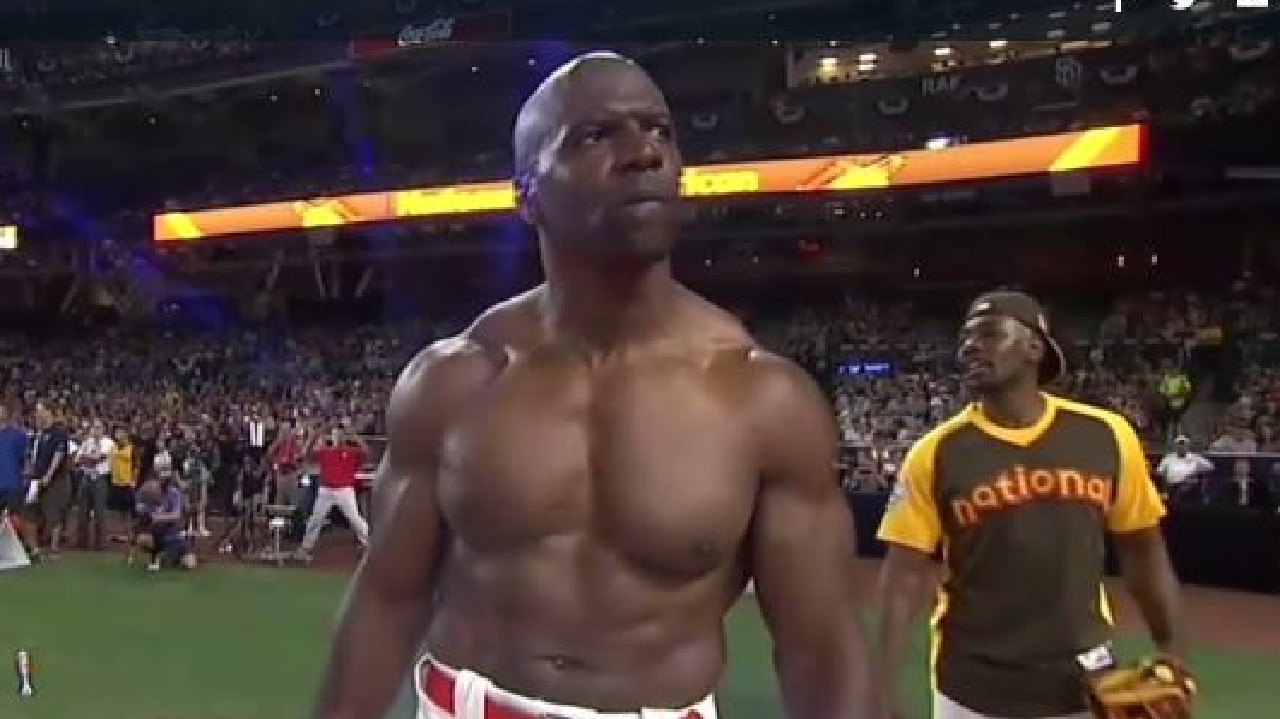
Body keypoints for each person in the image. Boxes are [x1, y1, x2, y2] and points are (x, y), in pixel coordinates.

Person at [312, 52, 880, 719]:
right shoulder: (455, 379)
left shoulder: (764, 400)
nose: (644, 152)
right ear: (527, 195)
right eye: (595, 135)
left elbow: (821, 649)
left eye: (660, 130)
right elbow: (389, 597)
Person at [875, 291, 1187, 719]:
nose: (970, 346)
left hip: (1082, 684)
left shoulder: (1105, 435)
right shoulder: (936, 452)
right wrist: (880, 686)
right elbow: (903, 577)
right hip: (971, 688)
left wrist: (1172, 649)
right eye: (965, 338)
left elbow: (1143, 549)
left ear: (1035, 348)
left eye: (989, 334)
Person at [293, 423, 370, 562]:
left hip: (345, 490)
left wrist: (355, 436)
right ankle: (305, 548)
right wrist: (315, 435)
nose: (337, 437)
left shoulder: (352, 451)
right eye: (335, 435)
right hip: (326, 490)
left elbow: (366, 453)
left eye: (339, 435)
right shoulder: (325, 451)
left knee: (355, 519)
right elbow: (307, 454)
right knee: (316, 519)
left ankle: (370, 546)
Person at [28, 402, 71, 559]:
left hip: (55, 480)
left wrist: (48, 475)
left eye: (41, 410)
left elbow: (58, 456)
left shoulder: (58, 433)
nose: (37, 414)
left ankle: (54, 549)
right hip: (36, 478)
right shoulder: (37, 434)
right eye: (36, 411)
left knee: (53, 513)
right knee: (31, 511)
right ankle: (34, 548)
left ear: (49, 412)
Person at [131, 477, 198, 571]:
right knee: (143, 539)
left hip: (173, 536)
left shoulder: (174, 494)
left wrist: (157, 517)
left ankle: (170, 558)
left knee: (190, 564)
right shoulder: (147, 495)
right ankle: (154, 556)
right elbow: (141, 517)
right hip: (157, 535)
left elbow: (176, 515)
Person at [0, 404, 34, 553]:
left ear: (7, 414)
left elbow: (26, 460)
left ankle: (23, 547)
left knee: (16, 517)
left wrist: (26, 478)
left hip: (12, 482)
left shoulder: (18, 435)